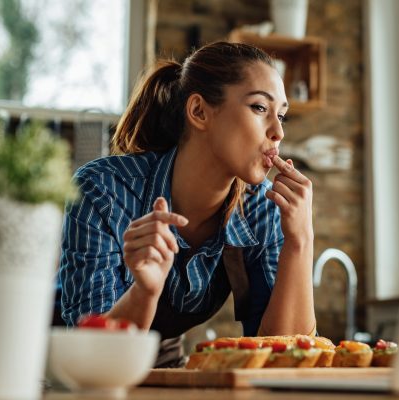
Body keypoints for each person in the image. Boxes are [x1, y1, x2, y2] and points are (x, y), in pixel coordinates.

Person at [58, 41, 315, 367]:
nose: (278, 131)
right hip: (65, 368)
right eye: (260, 108)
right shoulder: (103, 190)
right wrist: (144, 292)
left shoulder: (263, 208)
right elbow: (90, 359)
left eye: (282, 116)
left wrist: (300, 241)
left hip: (162, 365)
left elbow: (284, 359)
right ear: (199, 112)